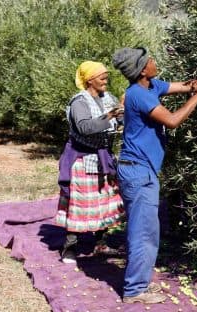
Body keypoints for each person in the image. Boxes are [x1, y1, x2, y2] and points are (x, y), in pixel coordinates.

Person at [111, 47, 197, 304]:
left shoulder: (151, 86)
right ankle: (134, 290)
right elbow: (172, 120)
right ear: (142, 70)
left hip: (139, 169)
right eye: (150, 60)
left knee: (148, 229)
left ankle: (140, 283)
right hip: (138, 171)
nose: (154, 61)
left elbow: (185, 86)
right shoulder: (138, 95)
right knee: (142, 231)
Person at [55, 61, 126, 264]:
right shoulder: (79, 102)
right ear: (89, 80)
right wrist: (112, 113)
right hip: (82, 159)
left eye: (106, 76)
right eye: (101, 76)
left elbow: (121, 121)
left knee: (103, 202)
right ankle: (69, 247)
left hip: (103, 159)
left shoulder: (108, 98)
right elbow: (85, 127)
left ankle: (100, 242)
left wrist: (125, 110)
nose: (106, 79)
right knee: (78, 204)